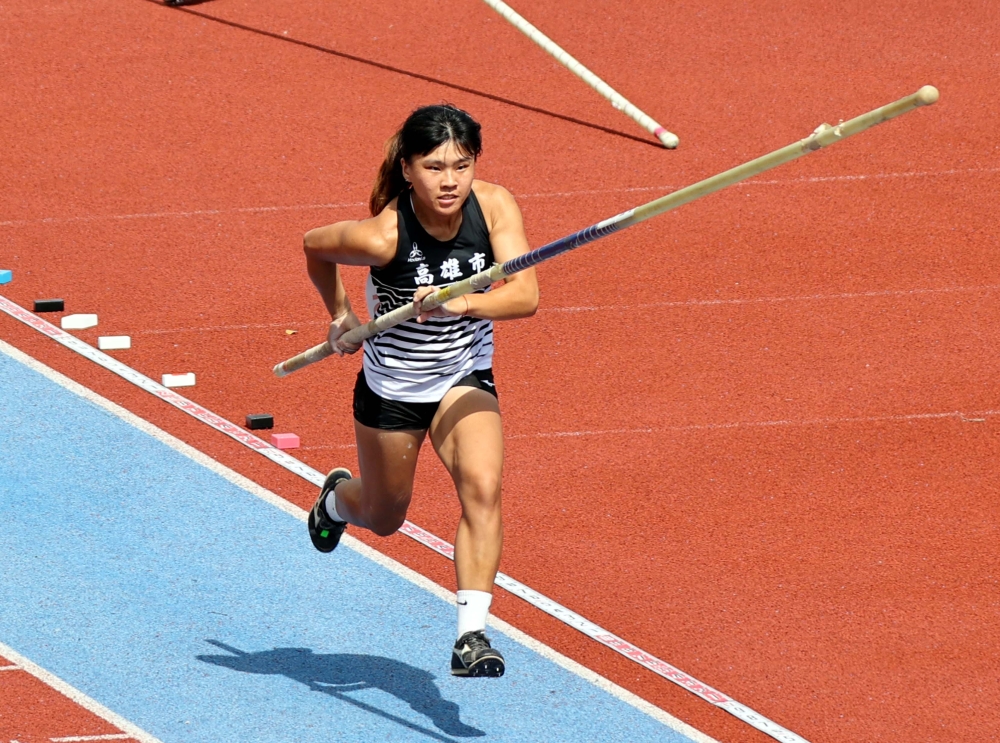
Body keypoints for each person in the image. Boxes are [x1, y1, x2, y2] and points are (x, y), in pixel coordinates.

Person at [302, 104, 538, 678]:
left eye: (462, 165)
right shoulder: (385, 236)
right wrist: (340, 315)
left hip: (463, 373)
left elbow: (525, 295)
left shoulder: (495, 206)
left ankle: (471, 634)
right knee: (385, 517)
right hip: (393, 389)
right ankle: (336, 500)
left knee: (483, 487)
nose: (451, 180)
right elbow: (314, 246)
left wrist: (464, 301)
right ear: (407, 168)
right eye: (435, 167)